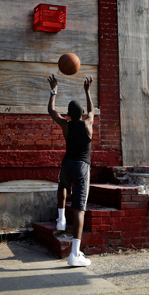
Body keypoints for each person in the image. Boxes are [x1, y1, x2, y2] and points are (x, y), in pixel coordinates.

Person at [47, 74, 94, 267]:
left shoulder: (66, 125)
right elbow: (92, 111)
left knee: (62, 185)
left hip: (67, 163)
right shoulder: (88, 124)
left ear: (68, 114)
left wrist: (54, 90)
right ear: (81, 112)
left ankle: (60, 219)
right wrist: (87, 91)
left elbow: (51, 110)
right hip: (82, 166)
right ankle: (75, 254)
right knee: (79, 208)